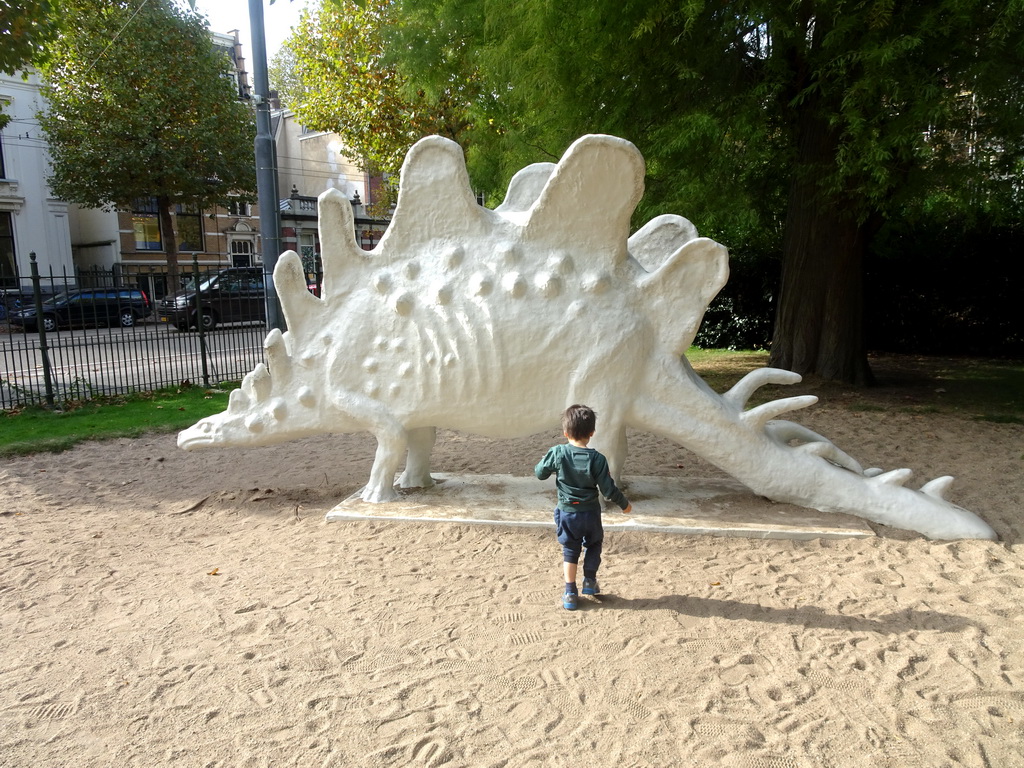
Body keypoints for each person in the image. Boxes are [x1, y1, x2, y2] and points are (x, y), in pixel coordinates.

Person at [535, 404, 632, 610]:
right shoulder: (598, 459)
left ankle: (570, 592)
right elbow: (608, 489)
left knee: (570, 550)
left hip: (567, 513)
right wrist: (624, 504)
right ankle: (589, 580)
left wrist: (546, 462)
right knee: (594, 544)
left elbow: (540, 473)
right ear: (591, 433)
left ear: (565, 432)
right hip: (591, 513)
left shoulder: (558, 453)